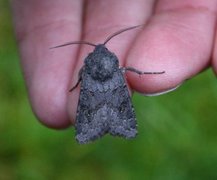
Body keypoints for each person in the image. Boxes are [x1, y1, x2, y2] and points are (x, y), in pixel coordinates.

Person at [11, 0, 217, 128]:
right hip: (113, 82)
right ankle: (122, 125)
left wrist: (77, 86)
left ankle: (92, 126)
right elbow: (119, 66)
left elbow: (83, 71)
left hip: (91, 87)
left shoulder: (88, 64)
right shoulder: (112, 61)